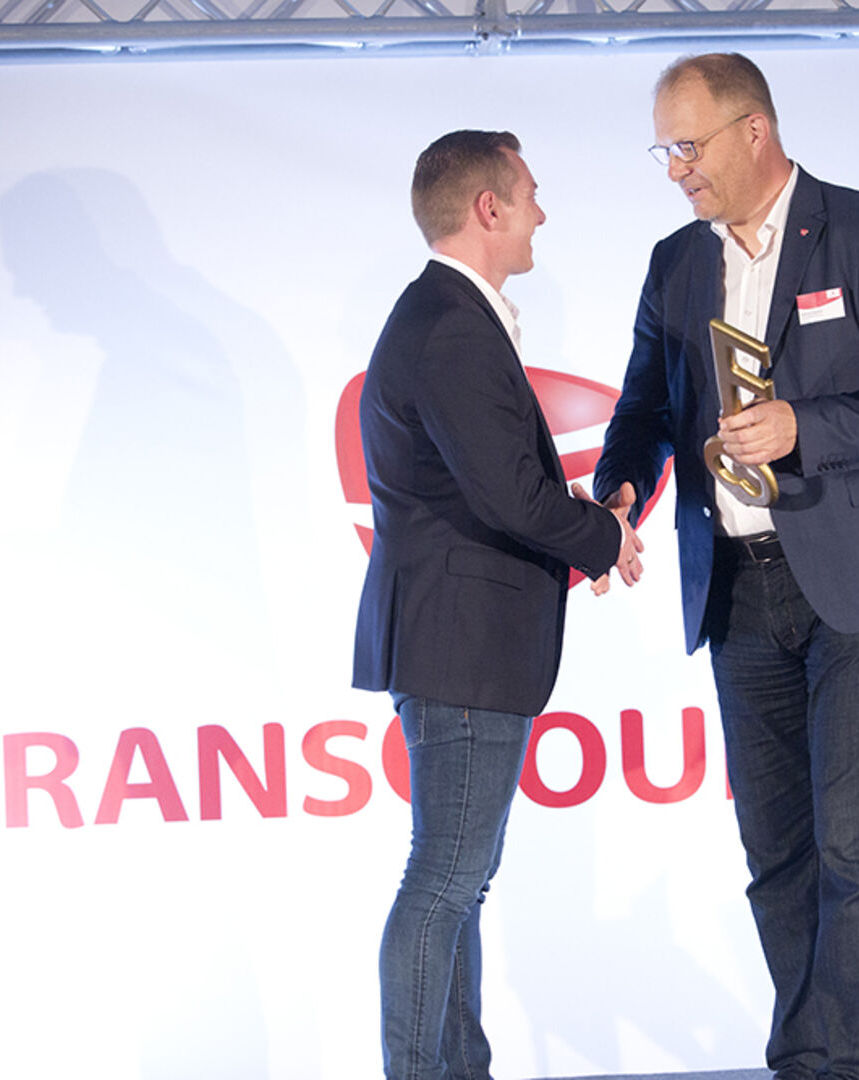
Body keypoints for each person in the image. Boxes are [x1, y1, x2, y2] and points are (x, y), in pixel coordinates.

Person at [593, 53, 859, 1080]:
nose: (675, 169)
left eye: (687, 145)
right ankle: (805, 1059)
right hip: (737, 586)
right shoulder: (676, 261)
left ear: (752, 130)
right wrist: (620, 491)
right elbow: (642, 408)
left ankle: (853, 1065)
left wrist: (807, 425)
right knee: (776, 852)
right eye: (664, 151)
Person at [352, 129, 641, 1080]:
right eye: (529, 195)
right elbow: (509, 496)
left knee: (457, 884)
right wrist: (602, 536)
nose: (540, 215)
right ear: (489, 207)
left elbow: (495, 484)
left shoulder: (450, 317)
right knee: (444, 881)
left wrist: (586, 524)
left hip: (459, 641)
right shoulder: (450, 326)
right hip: (460, 646)